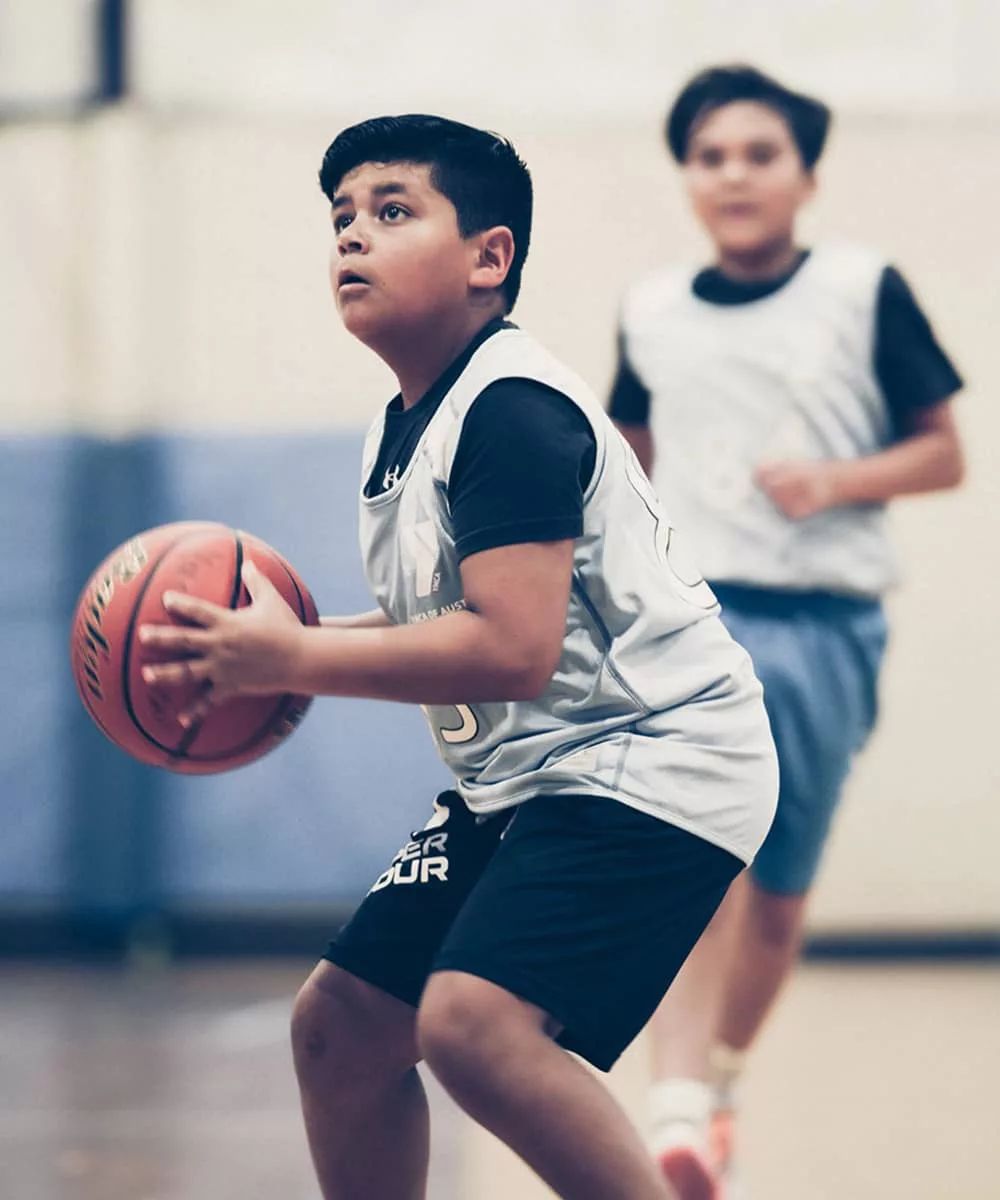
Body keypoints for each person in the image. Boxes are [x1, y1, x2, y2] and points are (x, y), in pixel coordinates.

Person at [138, 113, 778, 1200]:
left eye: (391, 211)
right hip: (538, 777)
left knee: (473, 1024)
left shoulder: (511, 413)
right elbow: (450, 614)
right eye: (340, 218)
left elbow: (511, 649)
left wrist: (289, 655)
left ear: (491, 257)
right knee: (341, 1029)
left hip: (657, 763)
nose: (352, 236)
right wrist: (275, 653)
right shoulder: (416, 416)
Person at [608, 66, 966, 1199]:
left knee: (775, 889)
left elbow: (944, 452)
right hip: (697, 626)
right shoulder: (651, 310)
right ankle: (669, 1101)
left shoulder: (865, 291)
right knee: (689, 858)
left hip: (823, 623)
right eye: (709, 155)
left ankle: (713, 1083)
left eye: (758, 153)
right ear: (686, 178)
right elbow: (623, 465)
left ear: (805, 174)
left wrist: (834, 480)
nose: (732, 174)